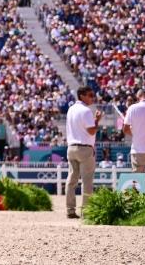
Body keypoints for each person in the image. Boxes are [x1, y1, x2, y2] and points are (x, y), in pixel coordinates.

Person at [65, 86, 102, 219]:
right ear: (82, 96)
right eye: (90, 95)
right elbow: (91, 131)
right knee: (87, 181)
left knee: (71, 180)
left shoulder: (70, 109)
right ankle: (86, 212)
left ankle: (70, 210)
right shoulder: (86, 111)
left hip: (71, 147)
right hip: (85, 148)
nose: (92, 97)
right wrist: (97, 121)